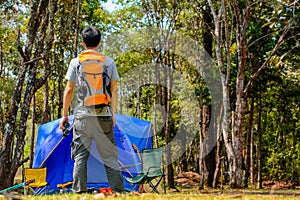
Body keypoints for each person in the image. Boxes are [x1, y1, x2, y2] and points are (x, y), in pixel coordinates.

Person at [59, 26, 124, 194]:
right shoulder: (108, 62)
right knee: (110, 157)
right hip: (103, 116)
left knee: (81, 156)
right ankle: (119, 192)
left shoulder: (76, 62)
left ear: (83, 42)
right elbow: (115, 90)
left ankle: (78, 192)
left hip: (82, 117)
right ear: (99, 42)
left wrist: (65, 115)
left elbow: (69, 90)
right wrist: (113, 115)